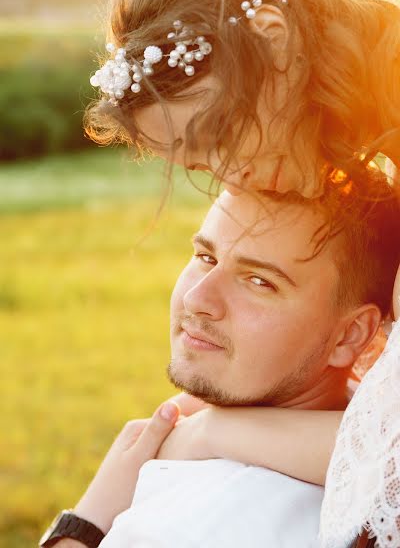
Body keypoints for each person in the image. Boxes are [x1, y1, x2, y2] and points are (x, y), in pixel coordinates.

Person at [41, 166, 400, 547]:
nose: (197, 299)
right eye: (206, 257)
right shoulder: (366, 437)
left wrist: (84, 524)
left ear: (350, 334)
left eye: (259, 281)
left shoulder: (201, 523)